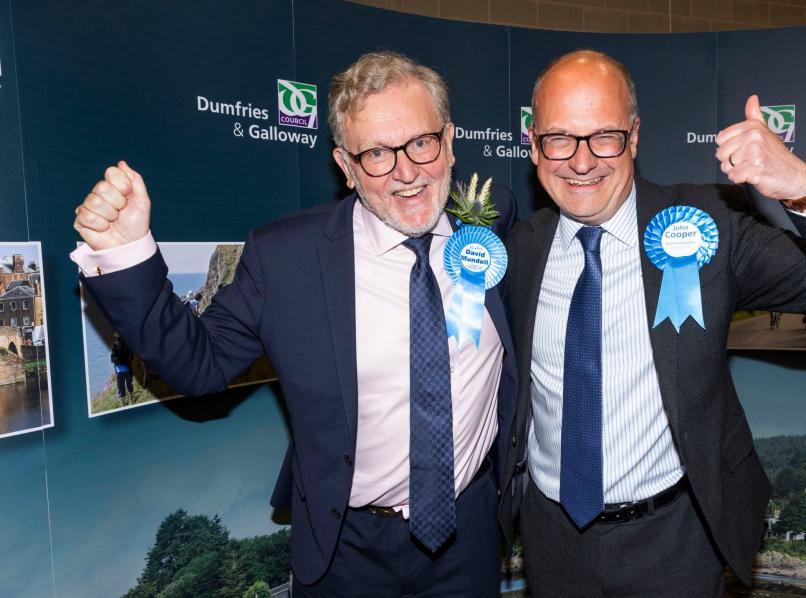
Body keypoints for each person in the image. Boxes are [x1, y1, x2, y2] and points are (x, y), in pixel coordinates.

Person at [72, 51, 517, 597]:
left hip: (466, 539)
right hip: (343, 550)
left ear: (448, 141)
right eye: (377, 152)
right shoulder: (286, 258)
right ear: (346, 166)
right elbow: (198, 366)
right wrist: (128, 255)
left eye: (421, 142)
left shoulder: (494, 223)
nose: (407, 171)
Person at [500, 50, 806, 597]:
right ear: (533, 142)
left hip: (674, 543)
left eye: (604, 136)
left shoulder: (710, 225)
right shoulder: (516, 252)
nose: (581, 160)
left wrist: (804, 183)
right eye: (560, 138)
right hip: (552, 541)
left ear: (635, 137)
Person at [109, 332, 134, 404]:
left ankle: (122, 405)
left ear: (115, 337)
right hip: (128, 369)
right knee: (129, 385)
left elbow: (112, 360)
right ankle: (131, 401)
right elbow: (132, 357)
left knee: (121, 388)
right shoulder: (128, 345)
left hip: (119, 371)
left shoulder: (113, 346)